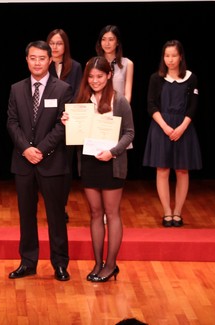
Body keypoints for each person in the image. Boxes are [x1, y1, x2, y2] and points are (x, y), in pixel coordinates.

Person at [62, 56, 134, 283]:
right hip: (90, 162)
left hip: (112, 163)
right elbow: (76, 136)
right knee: (94, 213)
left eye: (100, 76)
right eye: (91, 77)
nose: (95, 81)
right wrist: (68, 122)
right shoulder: (81, 101)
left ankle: (111, 264)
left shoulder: (119, 101)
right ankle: (97, 263)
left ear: (109, 76)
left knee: (111, 213)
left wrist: (112, 152)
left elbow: (129, 133)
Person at [6, 40, 73, 282]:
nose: (37, 62)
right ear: (27, 60)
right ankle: (28, 262)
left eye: (42, 58)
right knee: (26, 214)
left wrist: (40, 150)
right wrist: (26, 149)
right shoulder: (16, 88)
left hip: (52, 162)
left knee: (56, 215)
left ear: (50, 60)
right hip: (23, 162)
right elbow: (11, 123)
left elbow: (62, 125)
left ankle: (60, 264)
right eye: (32, 58)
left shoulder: (63, 89)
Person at [142, 40, 202, 228]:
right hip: (162, 127)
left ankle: (178, 212)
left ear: (181, 56)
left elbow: (193, 106)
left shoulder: (191, 78)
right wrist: (165, 127)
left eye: (174, 56)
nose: (170, 59)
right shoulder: (156, 78)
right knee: (162, 169)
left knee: (183, 170)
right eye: (166, 56)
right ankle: (167, 211)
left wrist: (182, 127)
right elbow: (151, 105)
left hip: (183, 127)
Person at [47, 28, 83, 223]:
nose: (55, 47)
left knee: (65, 169)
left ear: (65, 46)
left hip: (69, 124)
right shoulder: (43, 65)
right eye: (52, 43)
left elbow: (78, 93)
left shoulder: (76, 67)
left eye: (59, 43)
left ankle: (62, 206)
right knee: (48, 169)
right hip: (47, 125)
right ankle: (51, 206)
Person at [96, 24, 134, 103]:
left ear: (117, 42)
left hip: (119, 109)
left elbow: (127, 94)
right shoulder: (93, 63)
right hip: (98, 110)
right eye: (103, 39)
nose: (107, 43)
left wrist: (123, 110)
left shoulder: (128, 63)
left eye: (111, 39)